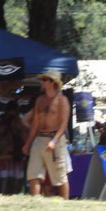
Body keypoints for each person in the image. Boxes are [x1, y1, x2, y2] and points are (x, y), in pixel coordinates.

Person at [22, 69, 71, 199]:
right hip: (39, 139)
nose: (41, 82)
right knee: (33, 174)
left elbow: (63, 124)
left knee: (60, 176)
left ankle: (66, 204)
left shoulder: (62, 100)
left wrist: (54, 141)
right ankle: (35, 203)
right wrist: (28, 143)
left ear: (52, 82)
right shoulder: (40, 100)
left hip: (55, 140)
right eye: (41, 79)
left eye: (44, 79)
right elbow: (35, 123)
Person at [0, 100, 27, 194]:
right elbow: (25, 138)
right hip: (13, 157)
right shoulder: (18, 121)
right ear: (17, 110)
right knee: (13, 186)